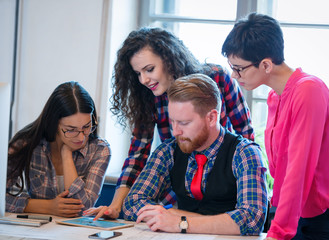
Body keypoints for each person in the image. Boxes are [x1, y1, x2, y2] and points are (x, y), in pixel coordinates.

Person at [84, 27, 254, 220]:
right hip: (183, 179)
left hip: (225, 179)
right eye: (138, 73)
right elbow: (138, 155)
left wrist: (243, 183)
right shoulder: (148, 98)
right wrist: (115, 206)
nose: (144, 79)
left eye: (149, 69)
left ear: (169, 60)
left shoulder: (218, 78)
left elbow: (245, 134)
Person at [222, 13, 329, 240]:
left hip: (320, 223)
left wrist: (278, 232)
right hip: (290, 215)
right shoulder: (275, 97)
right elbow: (280, 168)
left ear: (266, 65)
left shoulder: (308, 91)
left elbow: (298, 169)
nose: (234, 75)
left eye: (239, 68)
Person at [122, 73, 267, 235]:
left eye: (184, 123)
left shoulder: (245, 153)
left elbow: (252, 219)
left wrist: (181, 222)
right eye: (173, 122)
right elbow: (132, 204)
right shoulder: (168, 150)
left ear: (212, 118)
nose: (175, 131)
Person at [6, 81, 111, 217]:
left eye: (87, 127)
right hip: (36, 230)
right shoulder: (27, 144)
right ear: (54, 123)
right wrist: (47, 207)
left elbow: (82, 207)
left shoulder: (100, 150)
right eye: (71, 130)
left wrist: (66, 153)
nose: (81, 137)